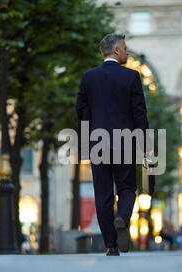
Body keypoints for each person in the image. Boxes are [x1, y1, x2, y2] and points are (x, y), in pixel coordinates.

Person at [75, 34, 150, 256]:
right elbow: (140, 114)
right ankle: (122, 218)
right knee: (127, 188)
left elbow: (81, 111)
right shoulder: (131, 77)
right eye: (125, 48)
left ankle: (111, 245)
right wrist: (146, 145)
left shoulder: (88, 77)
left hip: (97, 143)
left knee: (103, 193)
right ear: (116, 51)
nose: (128, 52)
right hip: (125, 141)